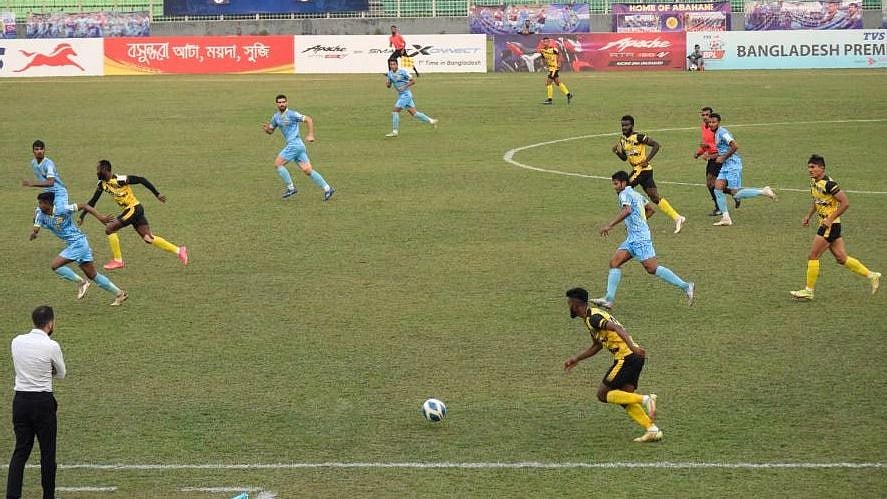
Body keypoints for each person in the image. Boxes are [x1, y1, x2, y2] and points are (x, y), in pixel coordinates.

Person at [564, 288, 662, 443]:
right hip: (634, 358)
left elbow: (617, 328)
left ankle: (646, 399)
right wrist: (577, 358)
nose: (568, 306)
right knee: (624, 398)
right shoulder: (590, 318)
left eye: (569, 303)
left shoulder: (594, 318)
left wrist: (632, 347)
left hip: (627, 357)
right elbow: (597, 345)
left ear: (576, 305)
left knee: (602, 394)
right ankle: (652, 429)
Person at [591, 171, 695, 310]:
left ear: (623, 183)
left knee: (652, 268)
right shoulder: (636, 194)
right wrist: (638, 222)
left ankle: (686, 286)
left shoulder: (624, 194)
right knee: (614, 262)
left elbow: (627, 210)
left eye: (616, 184)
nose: (614, 187)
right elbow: (650, 209)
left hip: (640, 238)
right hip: (633, 237)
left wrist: (610, 225)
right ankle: (609, 299)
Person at [790, 155, 880, 300]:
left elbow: (845, 203)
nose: (810, 170)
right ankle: (872, 275)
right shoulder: (814, 182)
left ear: (822, 168)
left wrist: (830, 219)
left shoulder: (829, 184)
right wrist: (808, 216)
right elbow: (817, 200)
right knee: (841, 258)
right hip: (826, 224)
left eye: (813, 167)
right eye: (809, 167)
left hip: (830, 225)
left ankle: (809, 290)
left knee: (813, 256)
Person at [80, 160, 189, 270]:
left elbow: (141, 180)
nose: (96, 172)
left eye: (98, 170)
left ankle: (118, 260)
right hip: (134, 211)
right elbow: (93, 201)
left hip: (134, 209)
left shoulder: (120, 180)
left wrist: (157, 194)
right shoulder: (102, 184)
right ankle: (179, 250)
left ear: (104, 170)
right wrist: (82, 215)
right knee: (148, 238)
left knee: (110, 228)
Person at [6, 305, 66, 499]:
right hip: (42, 402)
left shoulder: (17, 341)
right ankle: (48, 496)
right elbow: (62, 373)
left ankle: (12, 495)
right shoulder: (51, 345)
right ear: (50, 323)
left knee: (21, 451)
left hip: (20, 401)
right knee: (48, 453)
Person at [31, 192, 128, 305]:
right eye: (39, 202)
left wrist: (100, 217)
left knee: (55, 265)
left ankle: (82, 283)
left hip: (78, 243)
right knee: (92, 275)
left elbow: (84, 206)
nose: (39, 205)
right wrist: (34, 233)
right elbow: (36, 227)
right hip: (78, 244)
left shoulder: (62, 209)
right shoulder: (40, 213)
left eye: (41, 203)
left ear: (49, 203)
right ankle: (120, 294)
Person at [613, 115, 686, 233]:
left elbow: (656, 145)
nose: (624, 127)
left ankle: (639, 216)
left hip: (642, 169)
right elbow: (624, 158)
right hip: (640, 170)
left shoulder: (639, 137)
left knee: (624, 189)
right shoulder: (623, 140)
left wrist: (647, 160)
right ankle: (677, 218)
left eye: (626, 125)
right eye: (622, 125)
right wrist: (617, 151)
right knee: (654, 196)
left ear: (632, 125)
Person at [708, 113, 777, 226]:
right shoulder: (716, 133)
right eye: (710, 122)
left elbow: (735, 146)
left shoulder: (722, 133)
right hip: (726, 165)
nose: (711, 124)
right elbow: (722, 150)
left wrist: (723, 158)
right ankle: (726, 218)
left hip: (733, 165)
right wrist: (713, 156)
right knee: (717, 189)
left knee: (736, 194)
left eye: (714, 122)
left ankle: (763, 191)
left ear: (719, 122)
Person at [262, 95, 335, 201]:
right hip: (297, 146)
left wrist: (310, 135)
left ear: (287, 103)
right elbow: (271, 131)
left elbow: (308, 119)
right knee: (307, 170)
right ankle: (328, 189)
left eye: (283, 102)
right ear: (276, 104)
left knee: (278, 164)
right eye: (279, 102)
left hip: (294, 144)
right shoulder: (276, 117)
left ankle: (291, 188)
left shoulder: (292, 114)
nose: (282, 104)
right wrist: (267, 129)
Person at [385, 59, 438, 138]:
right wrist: (388, 83)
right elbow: (388, 86)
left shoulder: (403, 72)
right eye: (391, 64)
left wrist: (404, 86)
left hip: (406, 95)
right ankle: (432, 121)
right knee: (414, 113)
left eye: (393, 64)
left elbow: (413, 81)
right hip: (401, 95)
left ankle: (395, 131)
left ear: (397, 64)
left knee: (395, 111)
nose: (392, 66)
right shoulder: (389, 74)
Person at [21, 140, 68, 212]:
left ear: (44, 150)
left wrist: (33, 183)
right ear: (33, 151)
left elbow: (51, 182)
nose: (39, 151)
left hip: (59, 193)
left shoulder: (48, 164)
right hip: (48, 194)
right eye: (36, 149)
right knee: (39, 214)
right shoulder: (33, 163)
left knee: (60, 214)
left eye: (41, 149)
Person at [693, 107, 721, 216]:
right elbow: (706, 143)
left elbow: (717, 145)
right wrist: (699, 152)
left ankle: (719, 206)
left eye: (707, 115)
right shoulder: (704, 127)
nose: (705, 117)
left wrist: (707, 149)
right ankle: (733, 194)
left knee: (711, 182)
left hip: (717, 157)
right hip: (710, 157)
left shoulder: (715, 129)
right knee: (711, 184)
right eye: (703, 115)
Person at [538, 37, 572, 105]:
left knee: (548, 83)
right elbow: (543, 59)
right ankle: (568, 94)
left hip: (554, 68)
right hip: (550, 68)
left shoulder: (553, 49)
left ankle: (549, 100)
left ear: (549, 42)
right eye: (544, 42)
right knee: (557, 82)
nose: (545, 43)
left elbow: (560, 55)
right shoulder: (542, 50)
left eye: (547, 41)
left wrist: (559, 63)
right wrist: (544, 65)